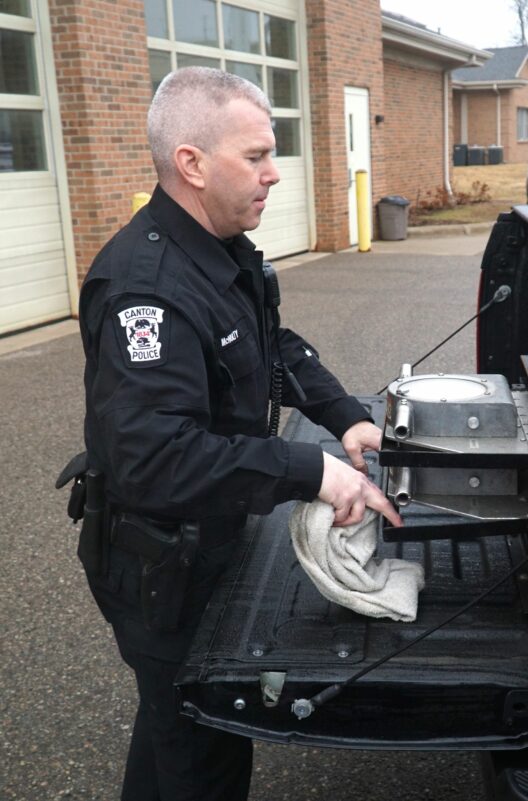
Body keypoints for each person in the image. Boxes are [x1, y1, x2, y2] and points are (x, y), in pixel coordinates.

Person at [76, 67, 402, 801]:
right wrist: (313, 473)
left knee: (173, 735)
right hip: (162, 567)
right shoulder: (146, 287)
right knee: (203, 755)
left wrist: (344, 414)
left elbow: (269, 341)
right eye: (255, 156)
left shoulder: (217, 248)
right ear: (191, 163)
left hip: (208, 539)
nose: (274, 174)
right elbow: (155, 459)